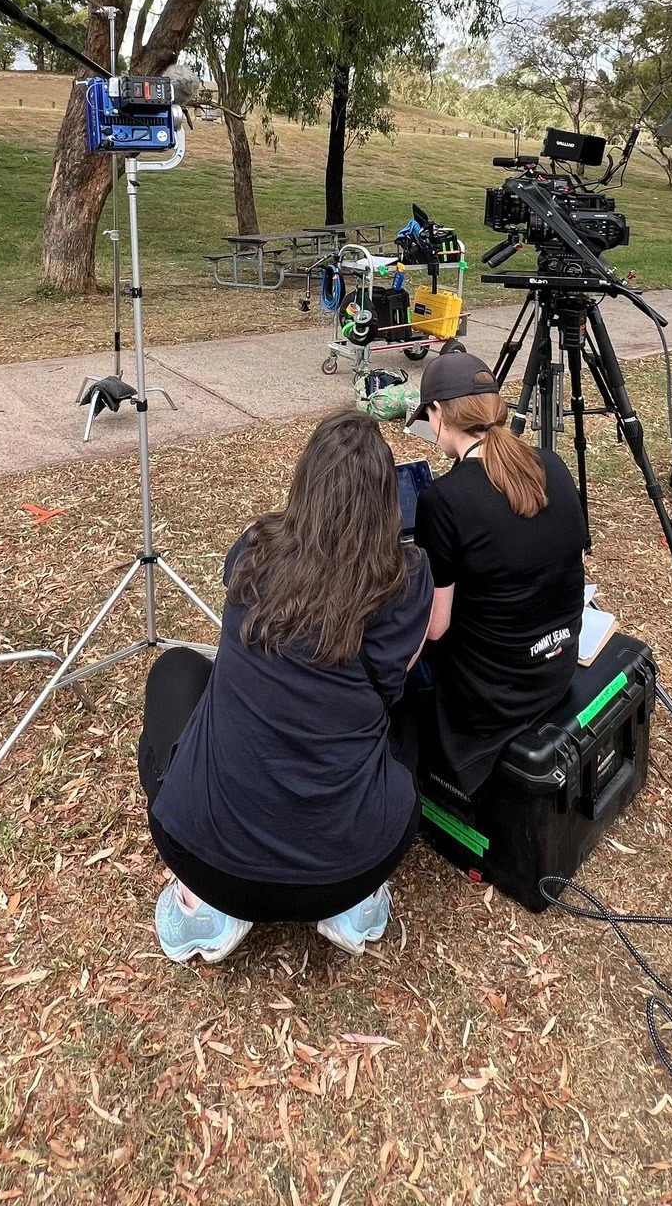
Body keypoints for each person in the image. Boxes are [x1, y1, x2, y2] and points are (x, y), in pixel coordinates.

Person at [138, 411, 433, 965]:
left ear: (305, 485)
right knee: (410, 716)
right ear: (386, 501)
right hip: (350, 870)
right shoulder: (407, 578)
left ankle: (202, 905)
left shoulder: (255, 549)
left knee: (177, 671)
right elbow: (392, 688)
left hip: (207, 861)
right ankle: (355, 905)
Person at [408, 348, 586, 797]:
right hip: (556, 669)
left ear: (438, 415)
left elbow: (436, 627)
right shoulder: (553, 464)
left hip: (494, 699)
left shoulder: (442, 499)